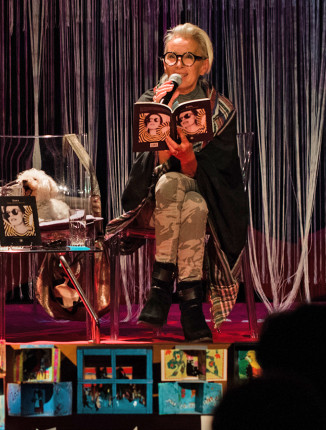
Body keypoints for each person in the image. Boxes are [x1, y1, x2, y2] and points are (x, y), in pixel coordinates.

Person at [106, 23, 247, 342]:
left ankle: (160, 289)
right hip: (156, 200)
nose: (178, 65)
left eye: (187, 57)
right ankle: (191, 307)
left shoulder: (220, 109)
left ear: (204, 65)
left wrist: (189, 158)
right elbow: (149, 170)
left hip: (209, 198)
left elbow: (220, 175)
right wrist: (163, 115)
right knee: (179, 193)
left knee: (191, 197)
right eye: (171, 57)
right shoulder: (150, 101)